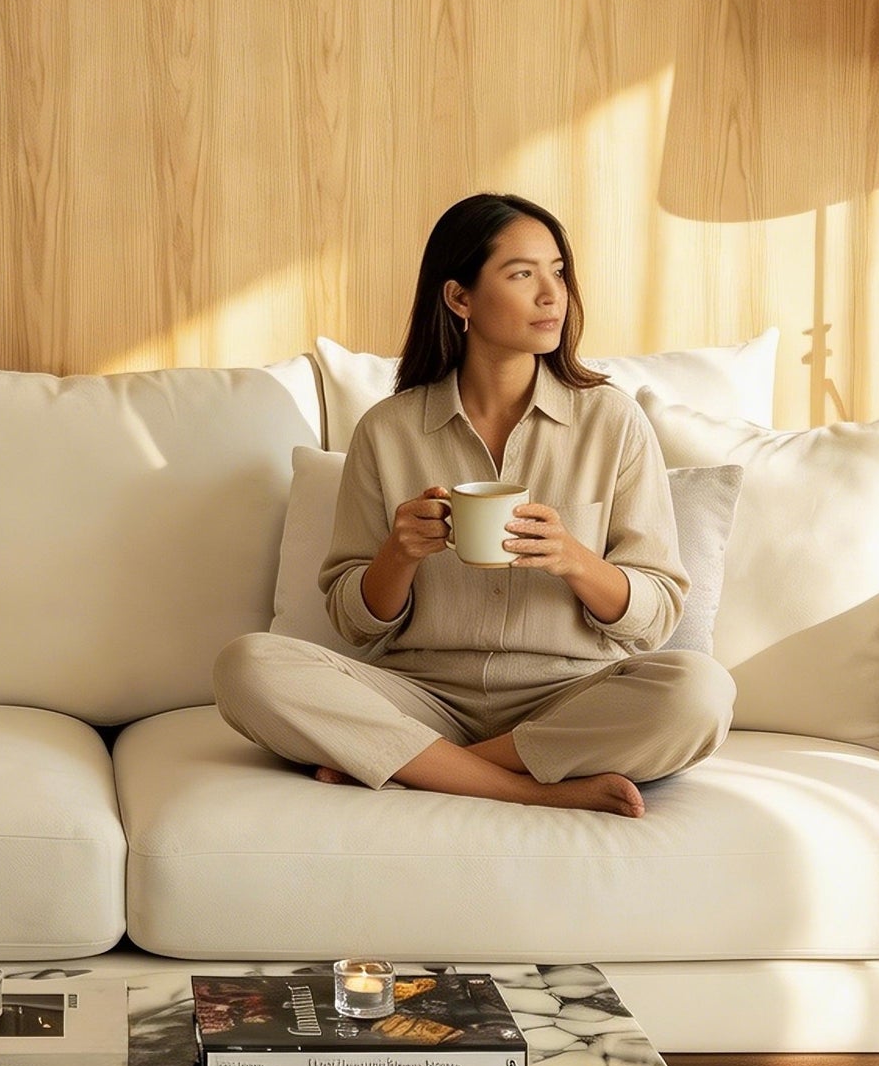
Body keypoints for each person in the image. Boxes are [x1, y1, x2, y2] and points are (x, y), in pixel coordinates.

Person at [214, 192, 734, 817]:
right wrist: (399, 555)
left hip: (568, 694)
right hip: (420, 691)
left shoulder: (613, 421)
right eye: (522, 274)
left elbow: (656, 613)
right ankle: (522, 787)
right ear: (459, 298)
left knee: (700, 691)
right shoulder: (388, 430)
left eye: (558, 272)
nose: (552, 295)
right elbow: (354, 620)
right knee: (248, 665)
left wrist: (572, 559)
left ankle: (419, 764)